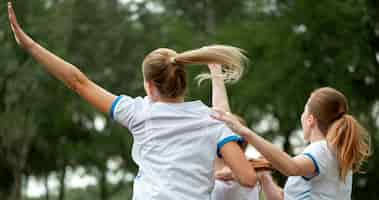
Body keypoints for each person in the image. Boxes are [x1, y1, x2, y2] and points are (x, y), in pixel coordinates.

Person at [7, 2, 257, 200]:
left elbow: (77, 82)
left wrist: (29, 45)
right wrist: (216, 75)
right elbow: (247, 177)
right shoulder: (209, 120)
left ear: (149, 86)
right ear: (183, 82)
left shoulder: (138, 113)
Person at [212, 87, 371, 200]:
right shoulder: (334, 153)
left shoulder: (322, 150)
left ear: (310, 120)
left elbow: (291, 167)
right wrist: (264, 175)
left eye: (304, 111)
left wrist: (245, 132)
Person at [208, 64, 266, 200]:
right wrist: (216, 74)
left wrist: (216, 73)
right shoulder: (247, 172)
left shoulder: (225, 181)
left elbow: (222, 119)